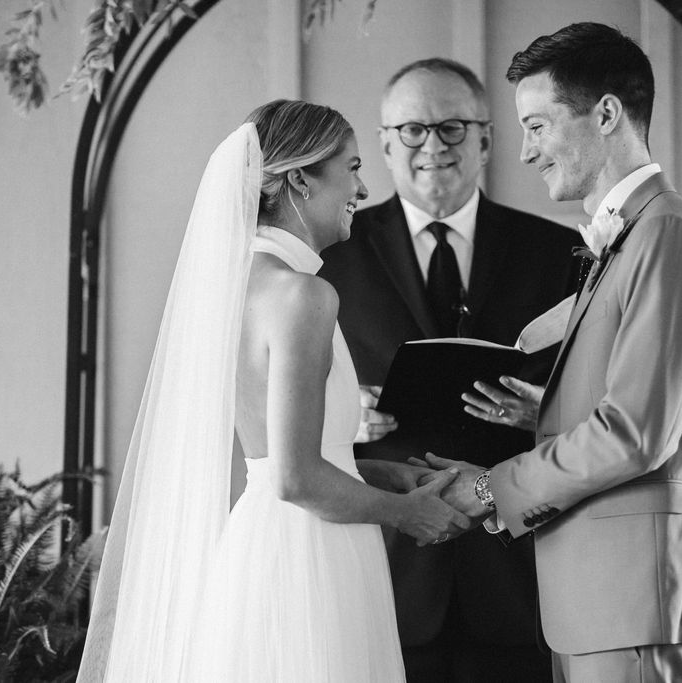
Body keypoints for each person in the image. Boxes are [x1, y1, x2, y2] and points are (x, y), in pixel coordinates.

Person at [77, 100, 470, 682]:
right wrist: (408, 514)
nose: (361, 188)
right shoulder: (303, 296)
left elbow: (278, 459)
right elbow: (295, 478)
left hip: (269, 542)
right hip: (309, 557)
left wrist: (384, 474)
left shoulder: (236, 286)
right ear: (300, 181)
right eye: (352, 169)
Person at [419, 23, 682, 682]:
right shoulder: (632, 238)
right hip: (597, 600)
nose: (528, 152)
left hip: (634, 600)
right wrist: (543, 413)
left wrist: (489, 488)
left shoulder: (668, 235)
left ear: (608, 114)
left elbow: (636, 433)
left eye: (538, 125)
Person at [319, 58, 581, 682]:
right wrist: (342, 414)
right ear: (383, 143)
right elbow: (282, 401)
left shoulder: (558, 254)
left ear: (487, 139)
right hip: (386, 565)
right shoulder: (332, 255)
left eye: (453, 127)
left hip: (519, 565)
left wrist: (545, 406)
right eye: (411, 130)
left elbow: (592, 402)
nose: (432, 145)